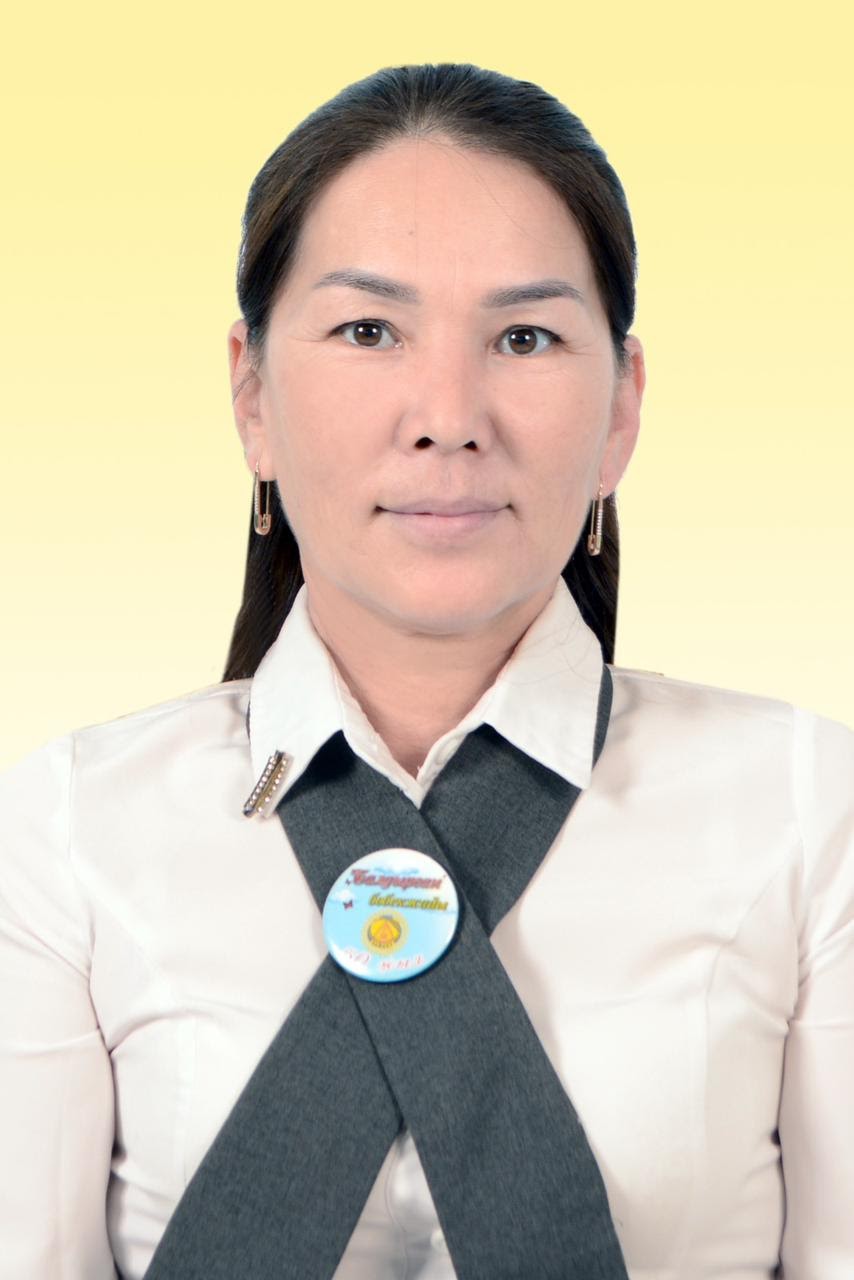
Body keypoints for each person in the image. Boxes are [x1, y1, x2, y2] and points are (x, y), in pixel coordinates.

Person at [1, 61, 852, 1280]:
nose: (447, 414)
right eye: (367, 330)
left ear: (620, 409)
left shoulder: (809, 805)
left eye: (523, 336)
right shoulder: (66, 827)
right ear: (250, 393)